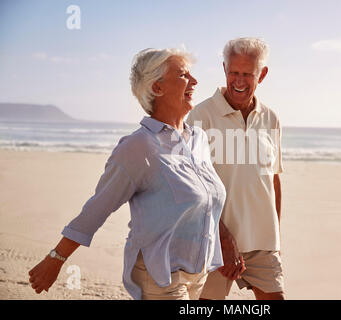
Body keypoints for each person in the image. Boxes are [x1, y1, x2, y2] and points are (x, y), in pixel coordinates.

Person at [28, 48, 227, 300]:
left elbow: (207, 202)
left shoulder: (198, 139)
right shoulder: (138, 146)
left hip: (199, 273)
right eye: (183, 75)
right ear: (157, 88)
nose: (195, 81)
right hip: (160, 275)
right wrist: (55, 258)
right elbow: (97, 208)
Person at [186, 37, 285, 300]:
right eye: (234, 73)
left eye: (247, 74)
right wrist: (223, 238)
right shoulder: (200, 117)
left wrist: (276, 237)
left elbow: (273, 181)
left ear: (261, 74)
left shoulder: (271, 118)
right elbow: (193, 187)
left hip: (263, 244)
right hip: (215, 243)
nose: (239, 81)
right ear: (224, 70)